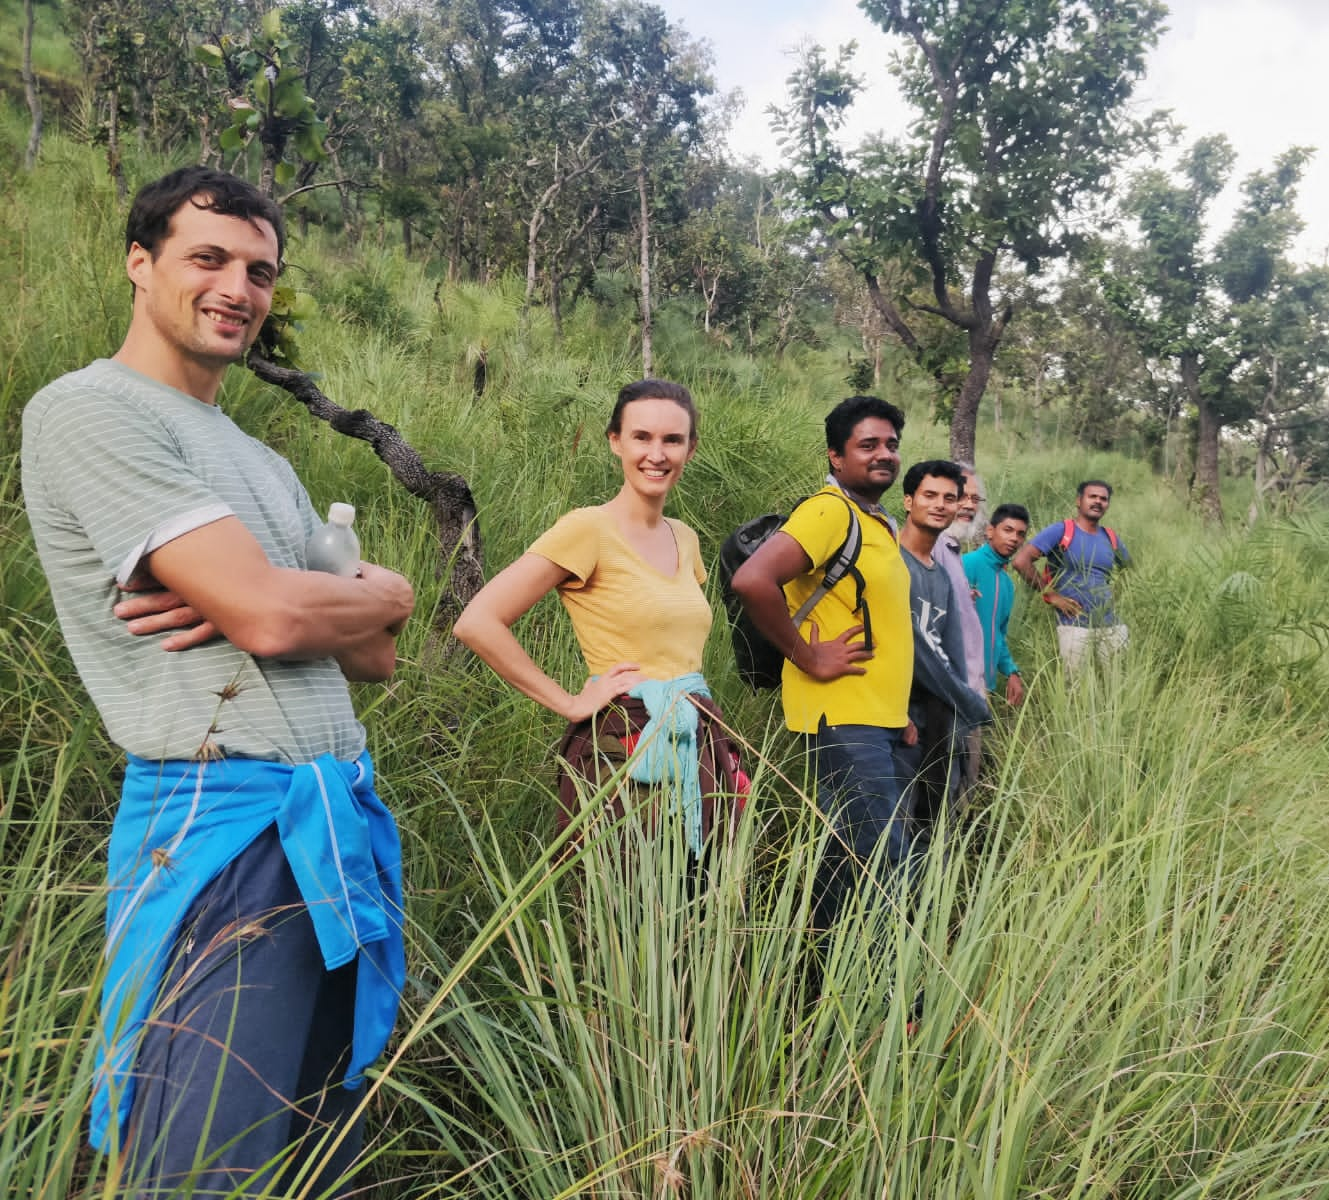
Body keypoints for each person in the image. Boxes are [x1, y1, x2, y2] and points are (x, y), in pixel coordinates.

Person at [20, 166, 415, 1197]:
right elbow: (278, 617)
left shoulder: (263, 463)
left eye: (260, 270)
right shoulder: (91, 412)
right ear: (139, 263)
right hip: (222, 826)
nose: (237, 286)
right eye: (209, 258)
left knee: (318, 1139)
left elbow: (373, 652)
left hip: (330, 821)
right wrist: (291, 600)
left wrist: (391, 592)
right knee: (199, 1156)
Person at [452, 379, 740, 859]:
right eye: (641, 437)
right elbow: (478, 621)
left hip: (697, 734)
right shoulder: (588, 529)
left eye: (673, 440)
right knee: (627, 908)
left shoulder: (685, 538)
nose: (657, 454)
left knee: (699, 903)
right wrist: (568, 703)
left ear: (691, 449)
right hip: (625, 737)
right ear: (615, 441)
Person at [729, 396, 914, 936]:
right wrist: (808, 655)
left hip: (872, 717)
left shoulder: (877, 522)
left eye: (891, 445)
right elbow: (752, 581)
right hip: (841, 714)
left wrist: (896, 713)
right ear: (836, 456)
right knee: (884, 859)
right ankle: (891, 1005)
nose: (884, 454)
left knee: (848, 856)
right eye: (868, 445)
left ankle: (820, 977)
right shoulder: (829, 511)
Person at [896, 461, 990, 821]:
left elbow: (950, 652)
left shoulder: (944, 576)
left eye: (950, 498)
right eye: (930, 495)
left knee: (934, 819)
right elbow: (907, 648)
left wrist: (962, 710)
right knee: (892, 823)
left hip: (940, 717)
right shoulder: (892, 562)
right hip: (899, 720)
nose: (941, 505)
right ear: (908, 501)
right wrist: (970, 703)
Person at [1012, 480, 1131, 673]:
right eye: (1092, 496)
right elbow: (1021, 561)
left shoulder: (1110, 537)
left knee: (1117, 686)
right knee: (1074, 689)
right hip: (1074, 625)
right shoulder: (1062, 531)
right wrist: (1051, 595)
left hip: (1112, 625)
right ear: (1079, 501)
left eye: (1104, 499)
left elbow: (1129, 569)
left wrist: (1116, 596)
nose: (1098, 502)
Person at [962, 503, 1031, 706]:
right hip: (958, 683)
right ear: (990, 531)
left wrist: (1011, 671)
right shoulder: (966, 564)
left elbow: (997, 634)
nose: (1014, 538)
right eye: (1007, 530)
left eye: (1020, 534)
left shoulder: (1006, 584)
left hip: (985, 688)